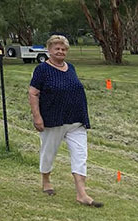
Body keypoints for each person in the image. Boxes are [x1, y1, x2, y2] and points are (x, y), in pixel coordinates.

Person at [28, 35, 101, 208]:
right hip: (53, 120)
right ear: (49, 50)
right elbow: (33, 93)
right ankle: (46, 180)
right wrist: (37, 116)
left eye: (63, 49)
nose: (60, 51)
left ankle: (81, 193)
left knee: (80, 154)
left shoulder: (71, 68)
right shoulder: (42, 70)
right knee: (48, 152)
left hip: (76, 120)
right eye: (57, 48)